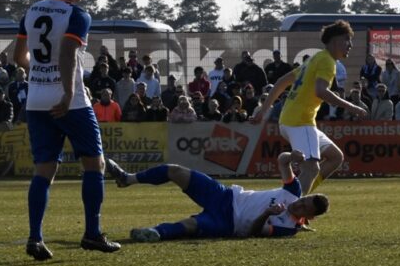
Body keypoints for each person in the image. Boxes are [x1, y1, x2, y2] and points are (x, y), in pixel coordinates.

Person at [13, 0, 121, 260]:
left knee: (44, 170)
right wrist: (70, 91)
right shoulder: (77, 14)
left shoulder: (31, 12)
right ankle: (92, 233)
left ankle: (35, 238)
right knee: (94, 164)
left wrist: (41, 75)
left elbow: (18, 57)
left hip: (36, 101)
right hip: (70, 103)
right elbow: (68, 52)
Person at [253, 20, 367, 194]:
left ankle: (296, 198)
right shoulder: (327, 61)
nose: (350, 45)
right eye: (347, 39)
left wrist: (263, 110)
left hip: (292, 120)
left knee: (335, 157)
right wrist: (352, 107)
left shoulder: (316, 58)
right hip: (300, 122)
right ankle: (292, 213)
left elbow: (281, 82)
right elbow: (321, 91)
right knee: (311, 168)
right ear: (335, 40)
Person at [117, 151, 328, 241]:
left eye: (303, 207)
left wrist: (266, 213)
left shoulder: (287, 229)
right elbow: (282, 161)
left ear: (308, 216)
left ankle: (154, 233)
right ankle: (128, 179)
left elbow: (255, 232)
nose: (299, 204)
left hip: (228, 223)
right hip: (226, 196)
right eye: (303, 200)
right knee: (175, 171)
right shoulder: (293, 191)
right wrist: (291, 156)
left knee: (190, 225)